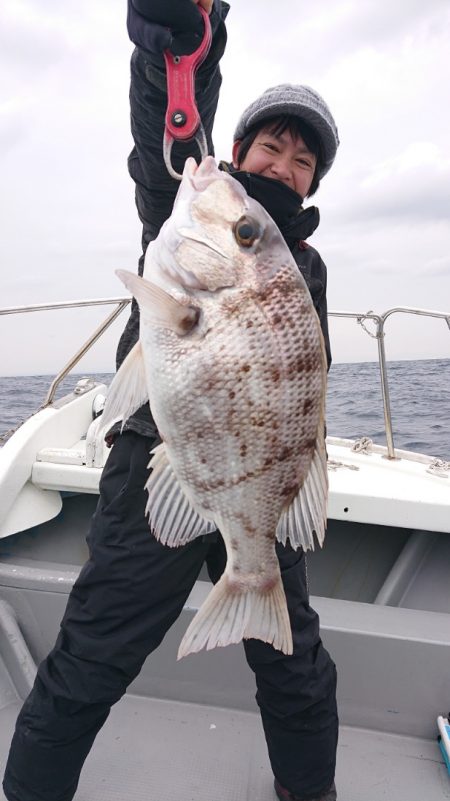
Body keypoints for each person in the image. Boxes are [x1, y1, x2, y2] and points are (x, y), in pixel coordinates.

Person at [2, 2, 339, 800]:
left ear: (315, 180)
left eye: (302, 160)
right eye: (271, 145)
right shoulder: (194, 215)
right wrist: (181, 46)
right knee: (93, 653)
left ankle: (310, 793)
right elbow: (167, 144)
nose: (284, 164)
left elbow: (300, 395)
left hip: (258, 481)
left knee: (299, 668)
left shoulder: (305, 267)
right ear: (237, 151)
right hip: (160, 465)